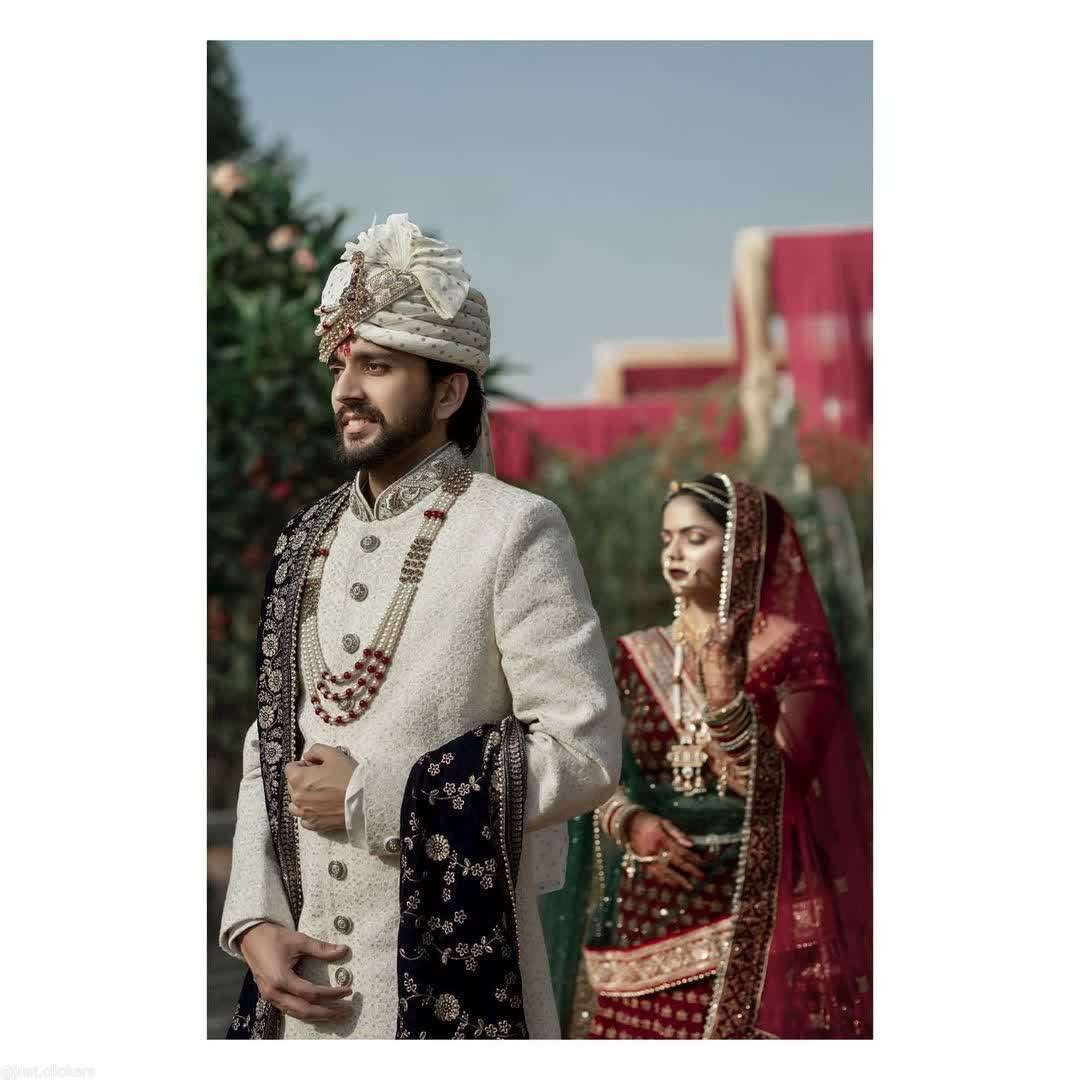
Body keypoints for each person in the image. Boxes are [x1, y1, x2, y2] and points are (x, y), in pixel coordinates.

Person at [218, 213, 623, 1039]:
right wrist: (253, 920)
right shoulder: (306, 539)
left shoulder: (514, 529)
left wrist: (379, 797)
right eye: (342, 365)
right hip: (301, 998)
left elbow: (583, 750)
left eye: (378, 366)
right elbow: (273, 739)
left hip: (453, 985)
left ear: (448, 392)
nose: (346, 389)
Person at [544, 473, 872, 1038]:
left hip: (766, 916)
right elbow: (595, 770)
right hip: (645, 925)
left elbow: (784, 785)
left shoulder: (794, 650)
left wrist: (725, 705)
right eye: (666, 538)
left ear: (741, 549)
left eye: (694, 537)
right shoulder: (633, 656)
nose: (673, 552)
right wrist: (631, 822)